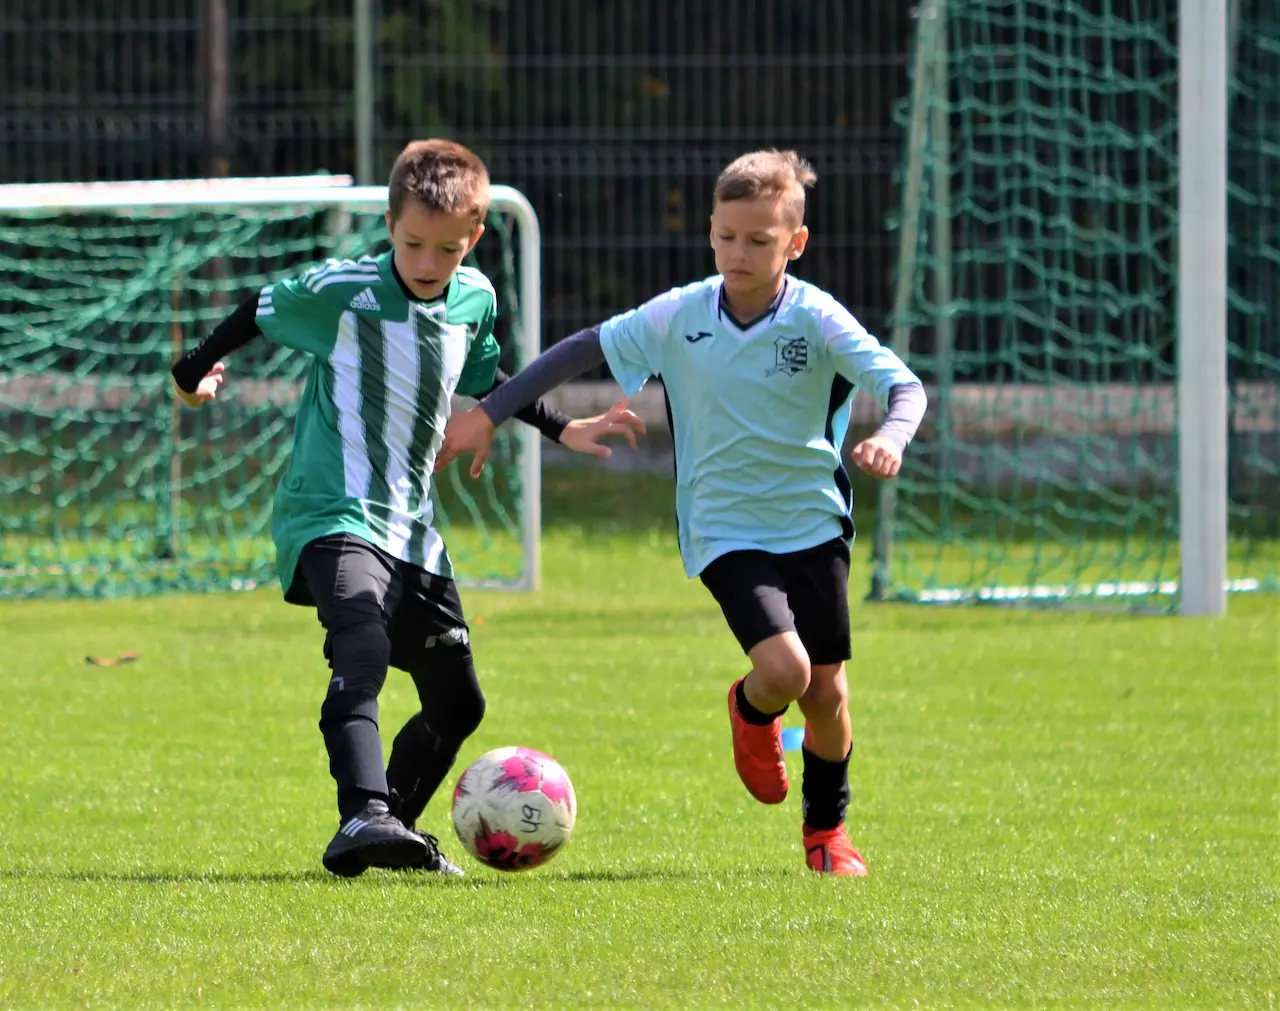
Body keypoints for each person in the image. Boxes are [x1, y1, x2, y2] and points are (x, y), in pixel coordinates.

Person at [435, 149, 927, 876]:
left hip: (813, 524)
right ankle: (752, 708)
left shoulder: (818, 319)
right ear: (710, 231)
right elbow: (580, 350)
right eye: (726, 236)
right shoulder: (681, 315)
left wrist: (891, 435)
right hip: (724, 529)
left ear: (795, 243)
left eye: (759, 240)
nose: (739, 252)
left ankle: (827, 832)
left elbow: (904, 386)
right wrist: (489, 413)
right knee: (786, 669)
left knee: (827, 693)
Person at [170, 139, 644, 878]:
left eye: (447, 249)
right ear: (390, 224)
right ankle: (362, 810)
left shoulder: (473, 299)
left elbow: (489, 379)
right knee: (360, 642)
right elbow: (257, 308)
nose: (428, 261)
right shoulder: (345, 290)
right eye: (414, 243)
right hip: (331, 512)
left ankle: (393, 829)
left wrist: (562, 427)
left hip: (412, 532)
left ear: (474, 237)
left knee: (459, 705)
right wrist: (190, 372)